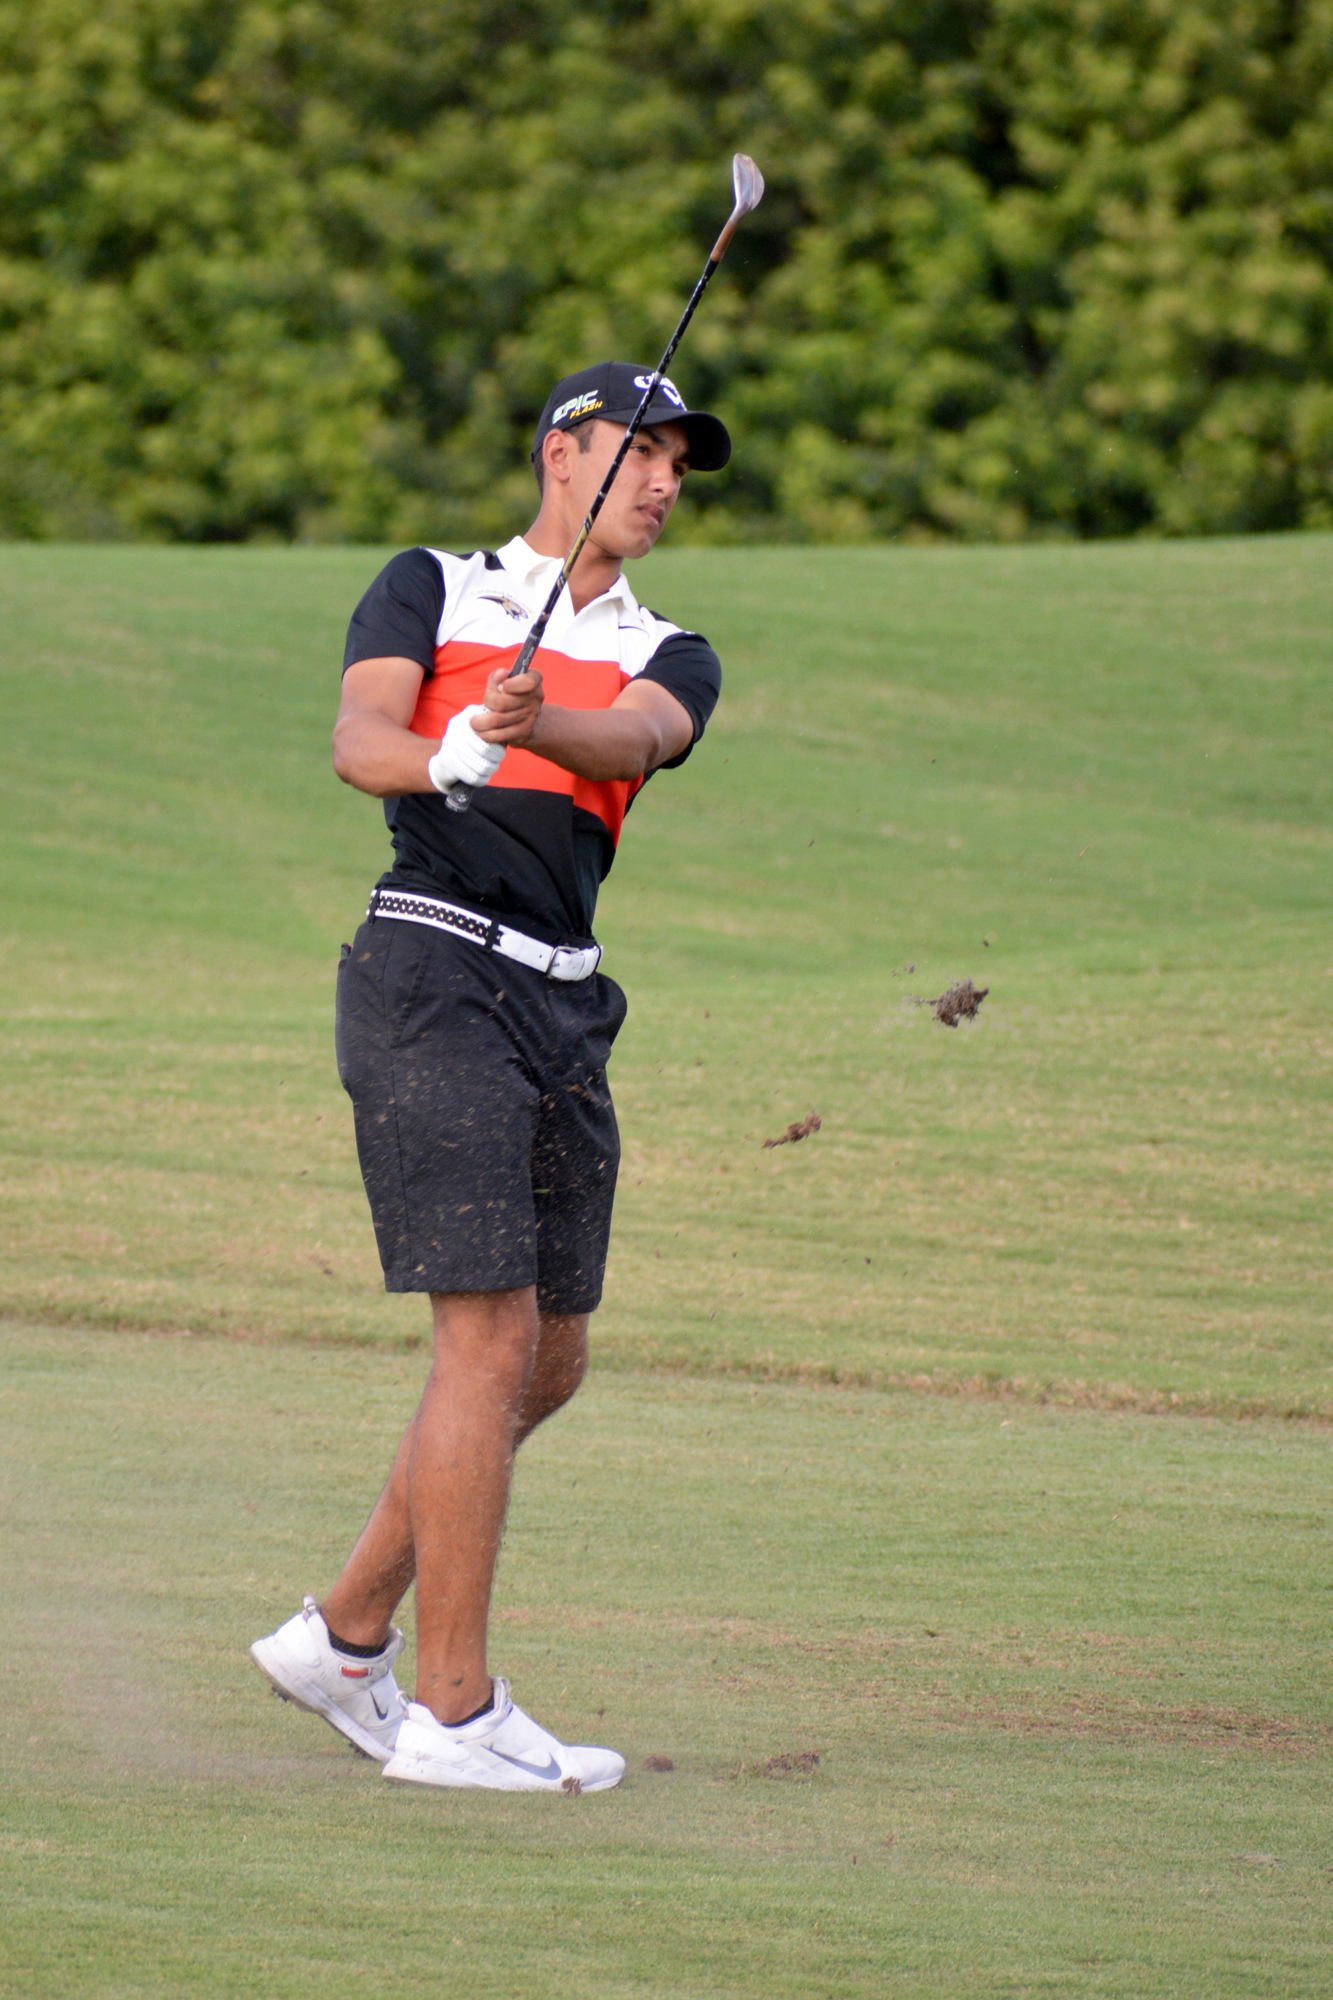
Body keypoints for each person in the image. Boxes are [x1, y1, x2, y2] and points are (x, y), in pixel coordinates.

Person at [250, 362, 727, 1794]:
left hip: (565, 1009)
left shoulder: (674, 646)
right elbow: (359, 742)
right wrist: (436, 755)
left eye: (678, 464)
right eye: (637, 450)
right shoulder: (432, 587)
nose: (660, 480)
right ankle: (450, 1718)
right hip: (431, 973)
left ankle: (341, 1638)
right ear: (558, 452)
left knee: (548, 1358)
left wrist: (524, 733)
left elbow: (635, 740)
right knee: (487, 1335)